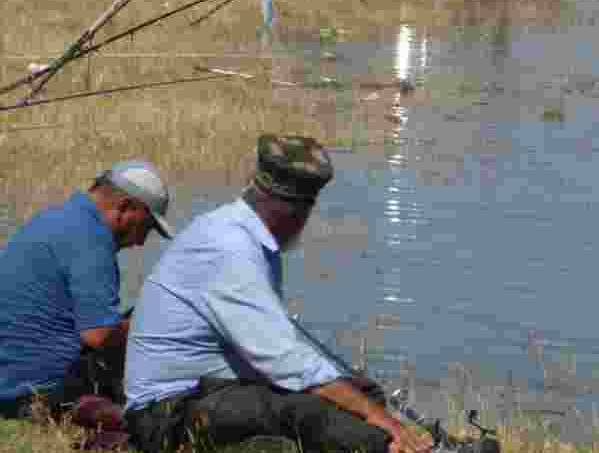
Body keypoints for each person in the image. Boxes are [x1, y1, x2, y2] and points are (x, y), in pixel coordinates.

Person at [123, 135, 434, 453]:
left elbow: (274, 349)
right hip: (167, 411)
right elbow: (283, 359)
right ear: (296, 212)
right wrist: (383, 420)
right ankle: (394, 447)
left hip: (214, 390)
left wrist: (359, 397)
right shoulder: (230, 247)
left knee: (362, 393)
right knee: (309, 411)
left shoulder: (247, 235)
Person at [0, 161, 174, 420]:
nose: (140, 242)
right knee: (153, 322)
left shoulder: (56, 218)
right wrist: (155, 326)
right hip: (38, 393)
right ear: (125, 207)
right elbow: (99, 335)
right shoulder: (92, 241)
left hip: (9, 382)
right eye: (145, 227)